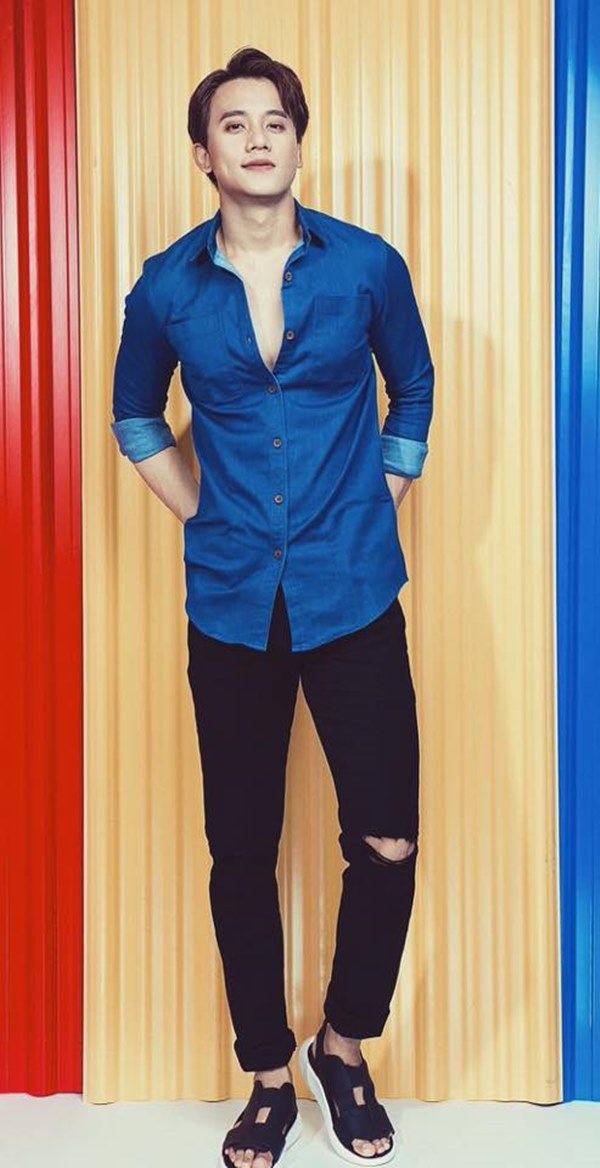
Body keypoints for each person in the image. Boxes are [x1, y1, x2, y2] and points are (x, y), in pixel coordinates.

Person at [111, 46, 434, 1168]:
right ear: (203, 155)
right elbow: (135, 414)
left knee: (386, 839)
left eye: (276, 122)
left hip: (355, 592)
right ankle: (266, 1078)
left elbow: (413, 385)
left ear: (298, 142)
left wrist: (381, 495)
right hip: (232, 601)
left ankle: (342, 1048)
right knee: (241, 851)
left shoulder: (367, 268)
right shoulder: (166, 286)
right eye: (233, 124)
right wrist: (199, 508)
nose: (257, 137)